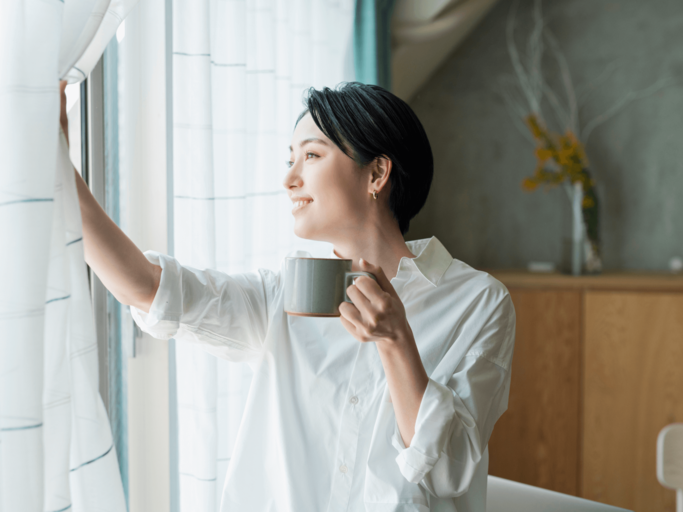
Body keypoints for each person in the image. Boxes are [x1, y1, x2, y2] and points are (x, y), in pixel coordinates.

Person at [61, 80, 516, 512]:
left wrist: (397, 341)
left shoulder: (478, 303)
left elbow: (450, 471)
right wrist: (61, 172)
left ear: (377, 172)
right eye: (289, 159)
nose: (289, 180)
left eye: (311, 156)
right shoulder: (283, 293)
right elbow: (148, 289)